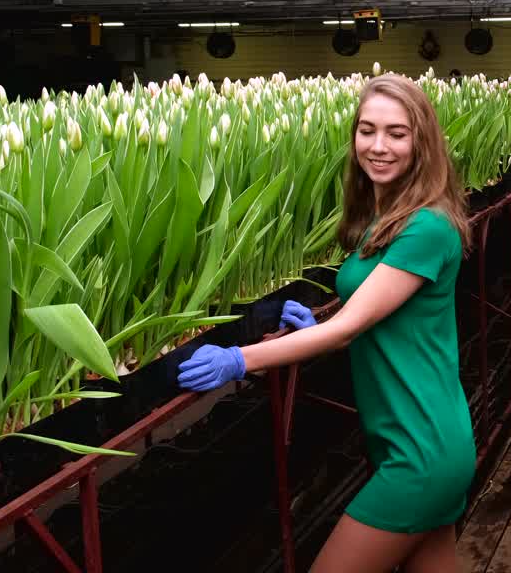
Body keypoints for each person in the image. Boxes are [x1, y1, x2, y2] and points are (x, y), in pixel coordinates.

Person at [176, 74, 475, 573]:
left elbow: (349, 330)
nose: (378, 146)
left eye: (397, 133)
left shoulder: (425, 226)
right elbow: (376, 317)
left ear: (423, 143)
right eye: (367, 130)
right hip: (410, 438)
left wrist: (238, 359)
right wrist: (322, 318)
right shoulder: (387, 220)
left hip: (421, 449)